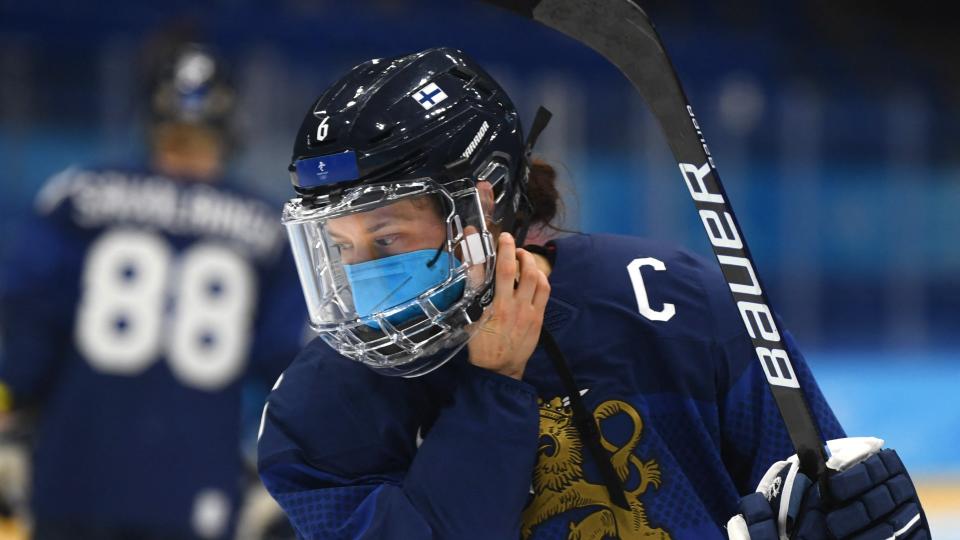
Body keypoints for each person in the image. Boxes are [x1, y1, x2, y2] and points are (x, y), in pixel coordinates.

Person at [257, 48, 930, 540]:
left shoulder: (678, 306)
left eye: (386, 238)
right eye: (341, 248)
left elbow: (825, 495)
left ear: (480, 207)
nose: (362, 274)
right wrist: (492, 391)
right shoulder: (319, 404)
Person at [0, 41, 305, 539]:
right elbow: (288, 364)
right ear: (230, 129)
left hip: (75, 471)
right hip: (190, 476)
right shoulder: (267, 228)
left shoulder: (78, 195)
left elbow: (31, 320)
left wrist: (12, 401)